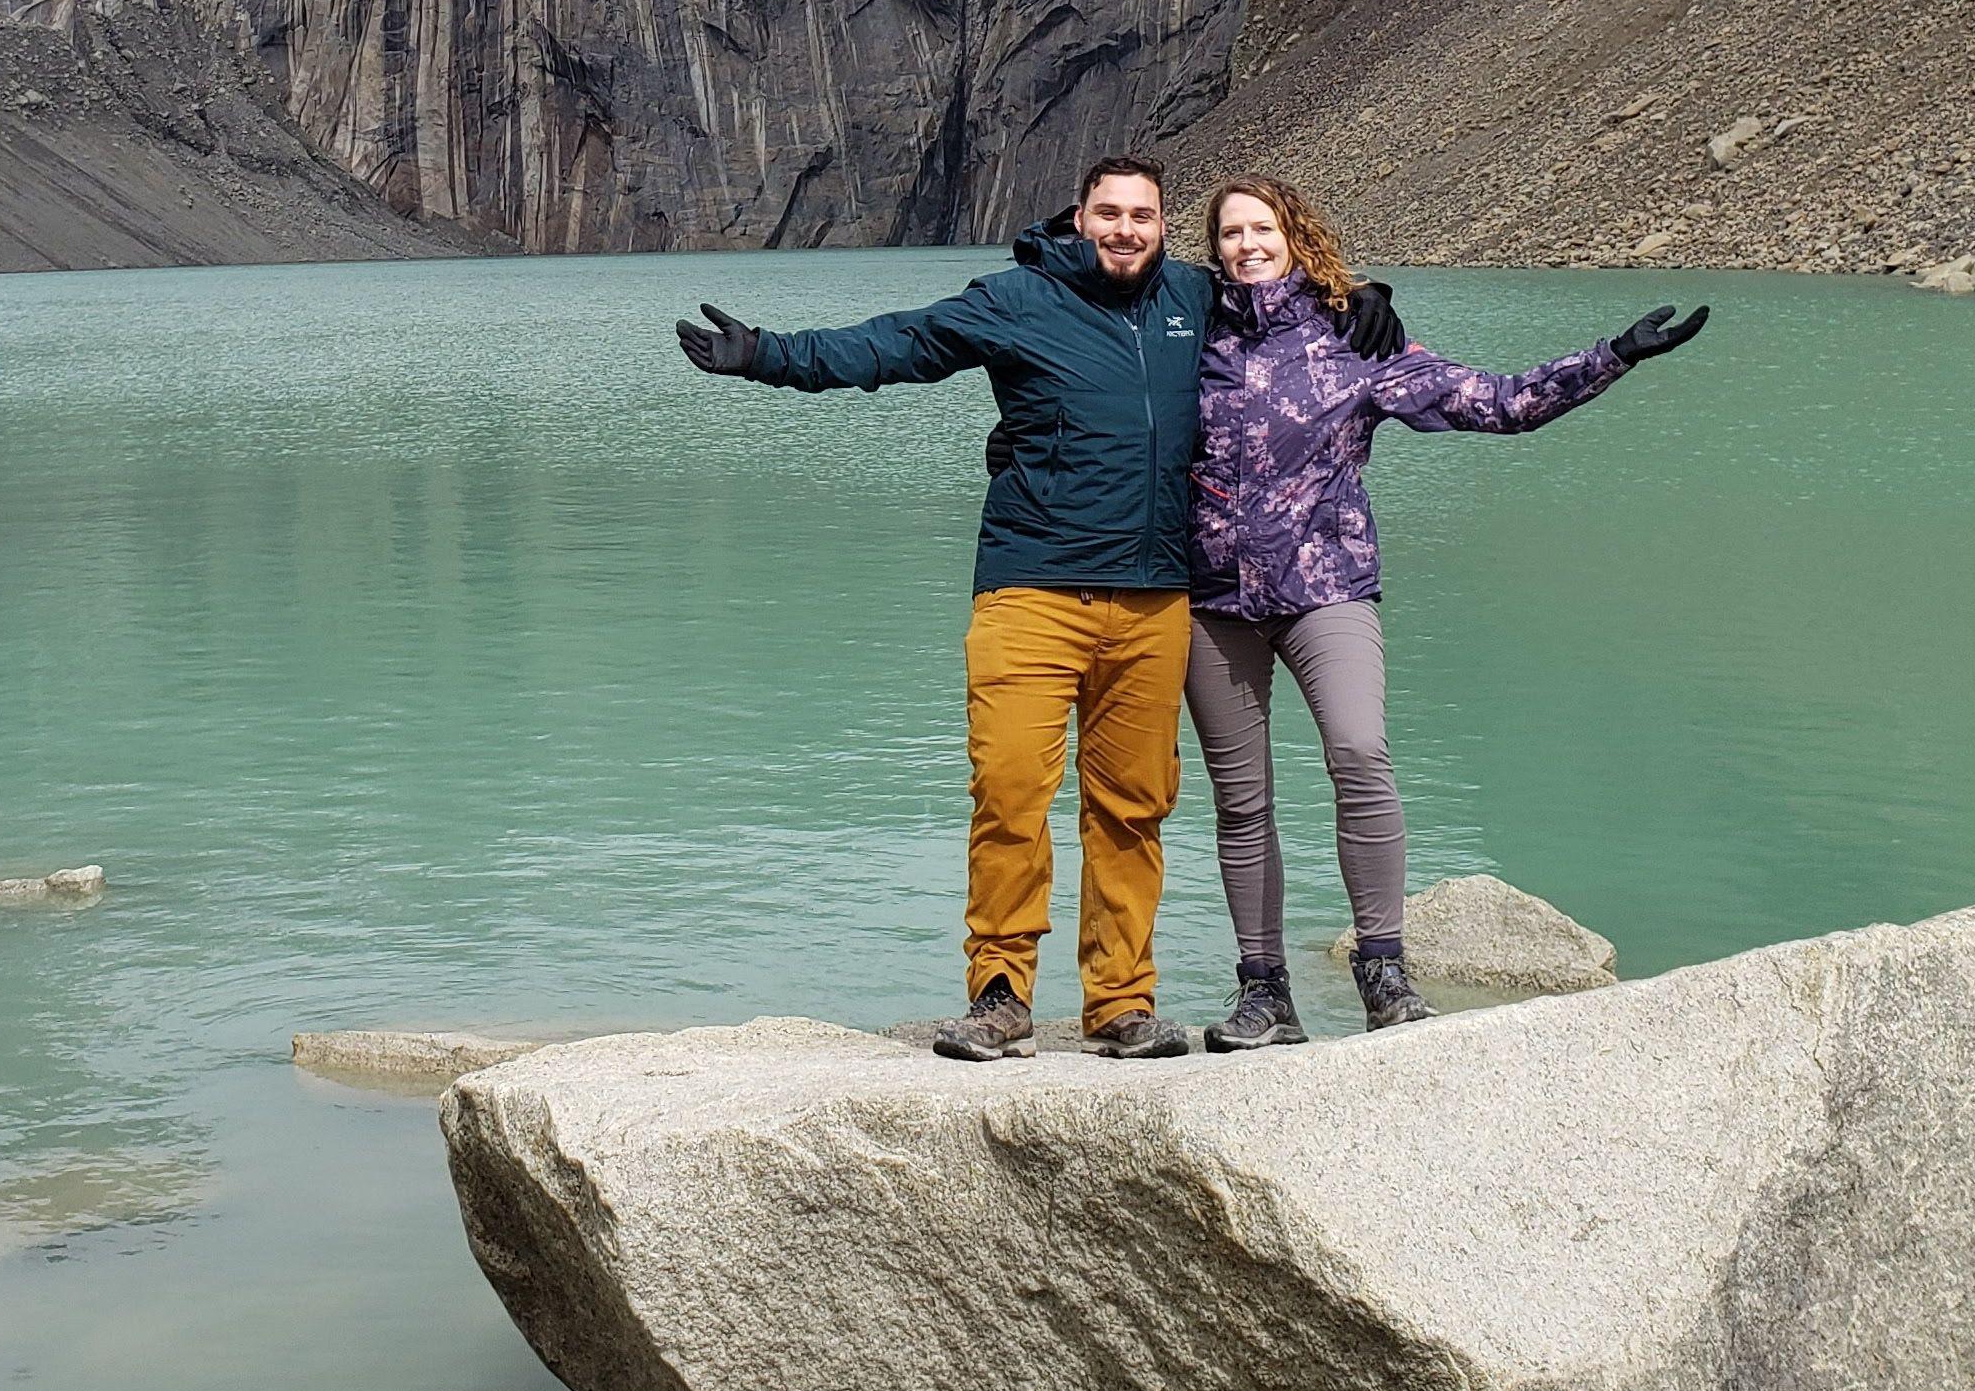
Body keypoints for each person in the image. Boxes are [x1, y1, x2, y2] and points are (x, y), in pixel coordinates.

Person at [676, 153, 1403, 1061]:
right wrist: (770, 358)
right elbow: (899, 343)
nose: (1126, 230)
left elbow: (1273, 294)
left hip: (1151, 604)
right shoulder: (1017, 299)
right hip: (1031, 591)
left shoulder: (1190, 298)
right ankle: (999, 994)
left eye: (1143, 215)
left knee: (1132, 809)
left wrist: (1355, 296)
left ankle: (1122, 1005)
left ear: (1164, 227)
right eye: (1110, 213)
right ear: (1079, 216)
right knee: (1011, 794)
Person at [1185, 172, 1705, 1047]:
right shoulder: (1186, 335)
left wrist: (1612, 356)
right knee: (1242, 801)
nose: (1247, 245)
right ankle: (1264, 990)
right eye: (1231, 232)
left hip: (1328, 589)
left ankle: (1383, 969)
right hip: (1212, 602)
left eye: (1262, 228)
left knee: (1359, 749)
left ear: (1294, 233)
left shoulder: (1352, 336)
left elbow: (1497, 403)